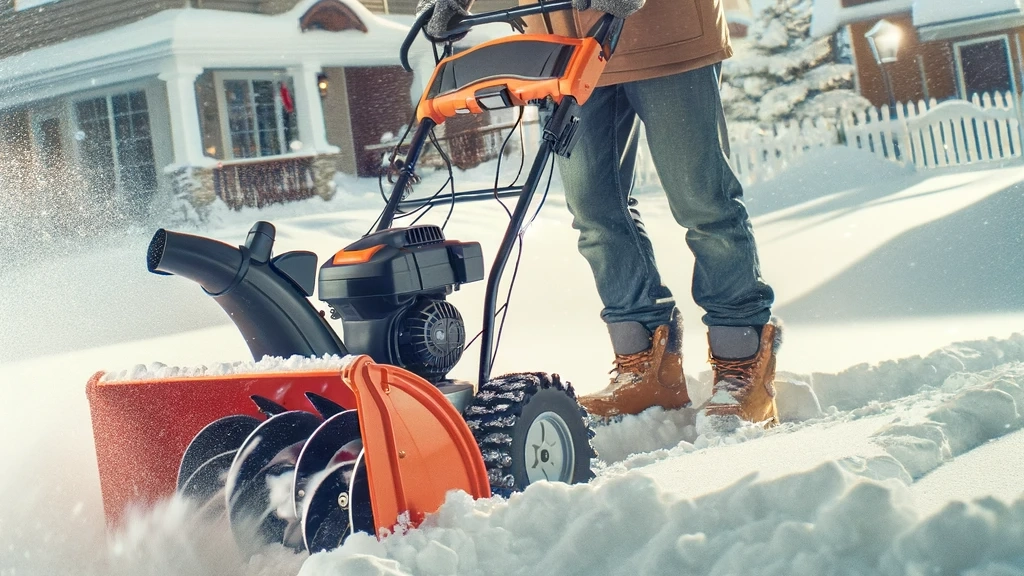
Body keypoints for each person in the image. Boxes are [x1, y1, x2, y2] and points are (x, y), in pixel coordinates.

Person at [417, 0, 782, 431]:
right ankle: (645, 368)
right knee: (594, 212)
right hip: (562, 47)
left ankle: (742, 367)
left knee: (702, 201)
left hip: (664, 36)